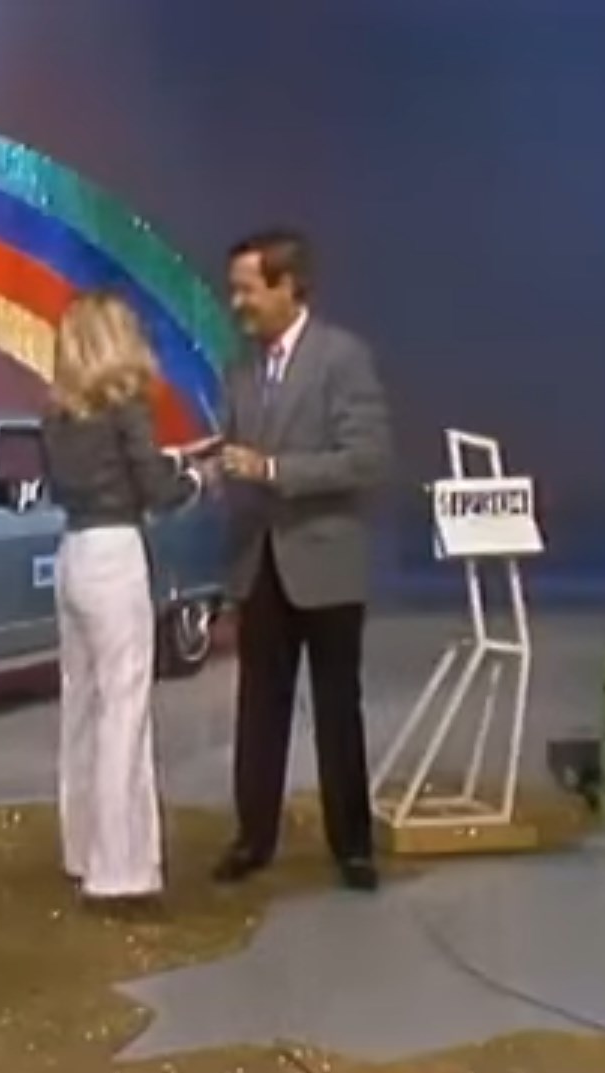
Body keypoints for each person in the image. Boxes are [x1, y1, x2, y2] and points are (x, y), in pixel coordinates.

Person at [212, 228, 392, 892]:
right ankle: (252, 838)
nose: (236, 303)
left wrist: (273, 468)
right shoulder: (239, 366)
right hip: (257, 563)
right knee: (258, 707)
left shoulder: (343, 358)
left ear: (288, 287)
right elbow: (235, 451)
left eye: (246, 289)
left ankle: (352, 846)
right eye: (233, 289)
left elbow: (366, 459)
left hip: (325, 561)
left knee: (336, 706)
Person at [41, 289, 198, 903]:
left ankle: (82, 850)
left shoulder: (56, 415)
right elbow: (157, 491)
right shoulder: (127, 406)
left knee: (81, 708)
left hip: (73, 554)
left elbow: (73, 484)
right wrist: (192, 477)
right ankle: (121, 872)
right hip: (114, 557)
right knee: (124, 714)